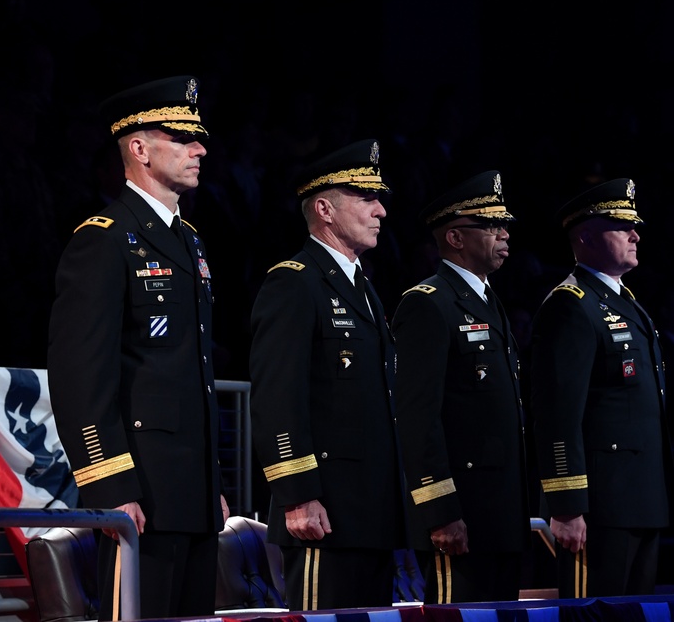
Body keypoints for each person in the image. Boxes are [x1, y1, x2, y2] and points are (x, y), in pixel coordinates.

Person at [47, 75, 229, 620]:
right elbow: (82, 376)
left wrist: (208, 484)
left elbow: (190, 373)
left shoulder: (189, 240)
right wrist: (111, 484)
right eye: (182, 137)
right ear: (140, 148)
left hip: (188, 494)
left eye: (198, 137)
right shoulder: (103, 239)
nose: (200, 148)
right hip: (140, 492)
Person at [248, 139, 406, 610]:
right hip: (324, 512)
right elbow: (278, 396)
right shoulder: (294, 282)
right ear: (325, 208)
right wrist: (297, 494)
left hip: (370, 512)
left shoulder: (364, 288)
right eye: (366, 198)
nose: (380, 210)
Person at [529, 177, 674, 598]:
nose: (635, 234)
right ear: (586, 236)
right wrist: (567, 504)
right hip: (599, 507)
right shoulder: (571, 306)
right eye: (621, 226)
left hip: (641, 498)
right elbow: (557, 414)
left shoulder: (625, 303)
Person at [391, 170, 531, 603]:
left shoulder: (488, 300)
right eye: (491, 225)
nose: (504, 233)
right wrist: (440, 511)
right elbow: (417, 417)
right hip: (462, 514)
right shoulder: (428, 304)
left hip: (500, 512)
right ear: (455, 237)